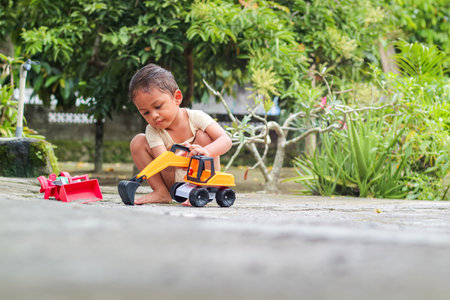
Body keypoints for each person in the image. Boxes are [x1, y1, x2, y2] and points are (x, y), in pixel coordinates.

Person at [128, 63, 232, 205]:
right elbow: (164, 164)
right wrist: (177, 156)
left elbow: (225, 140)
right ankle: (161, 192)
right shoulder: (153, 130)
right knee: (138, 142)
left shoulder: (196, 117)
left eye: (158, 106)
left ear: (177, 98)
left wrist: (206, 151)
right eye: (146, 112)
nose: (154, 115)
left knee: (204, 136)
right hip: (173, 182)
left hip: (202, 177)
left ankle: (203, 190)